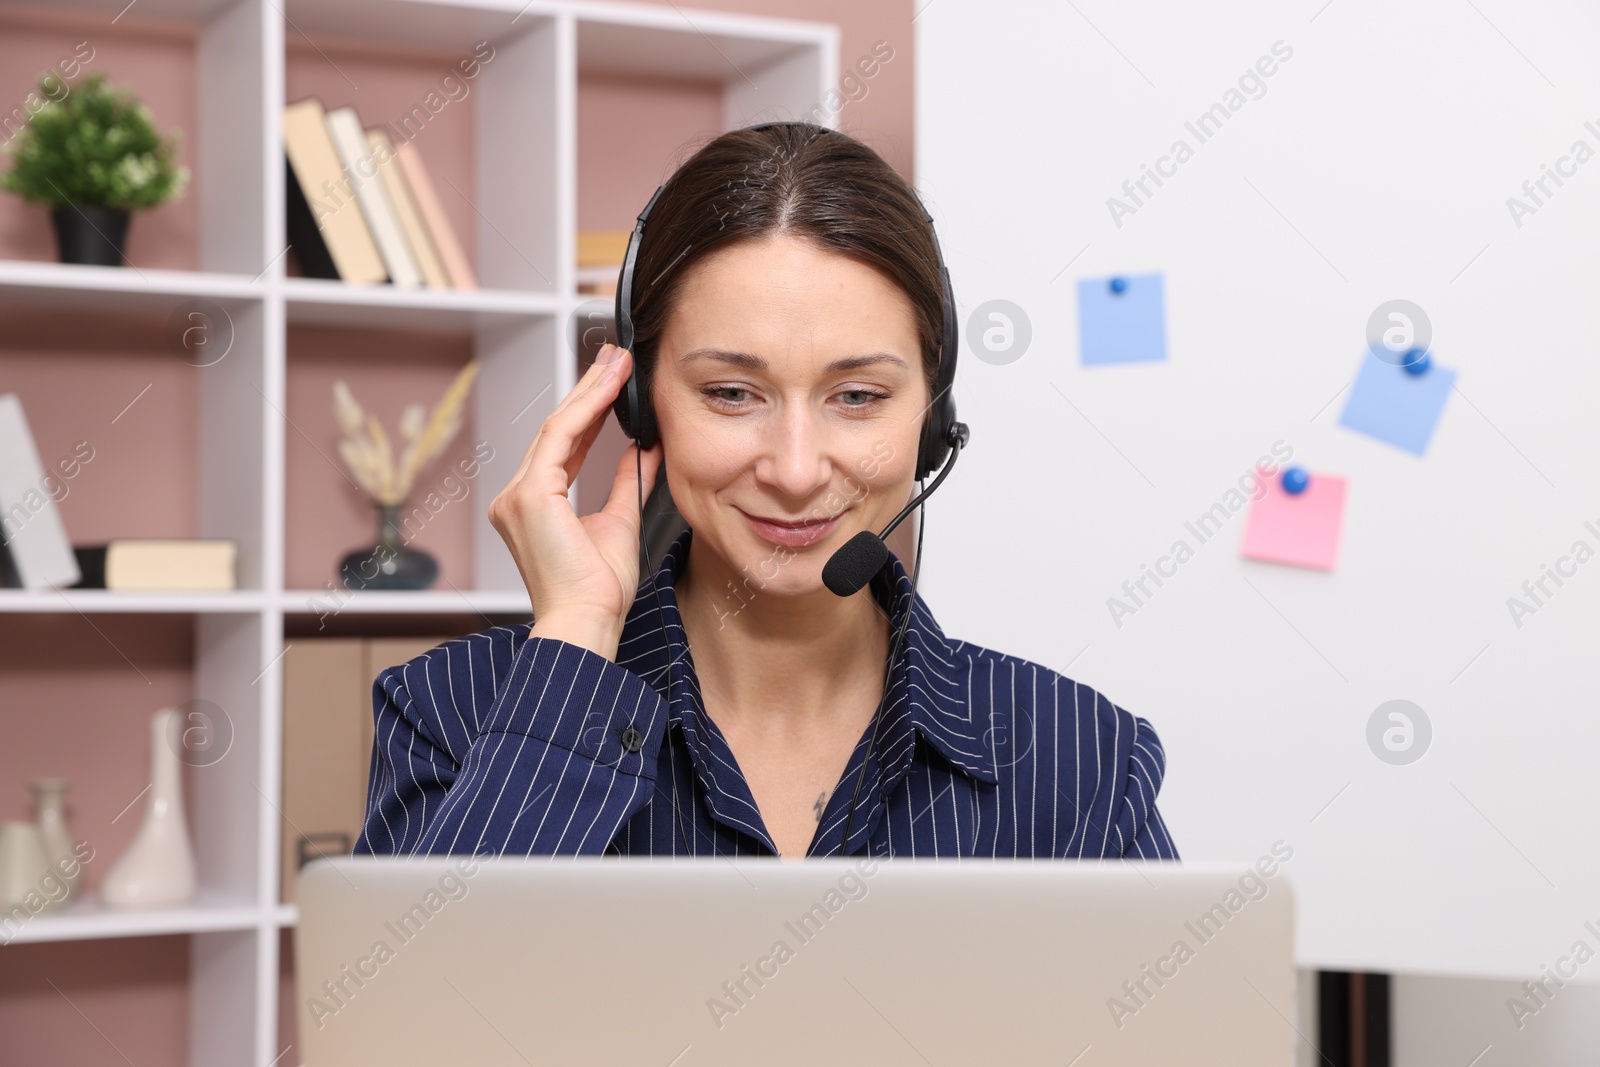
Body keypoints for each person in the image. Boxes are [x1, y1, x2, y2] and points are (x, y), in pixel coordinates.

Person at [355, 123, 1177, 861]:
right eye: (731, 393)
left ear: (933, 415)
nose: (795, 470)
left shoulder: (1084, 758)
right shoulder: (452, 715)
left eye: (857, 397)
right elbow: (412, 1024)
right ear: (638, 403)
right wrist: (572, 637)